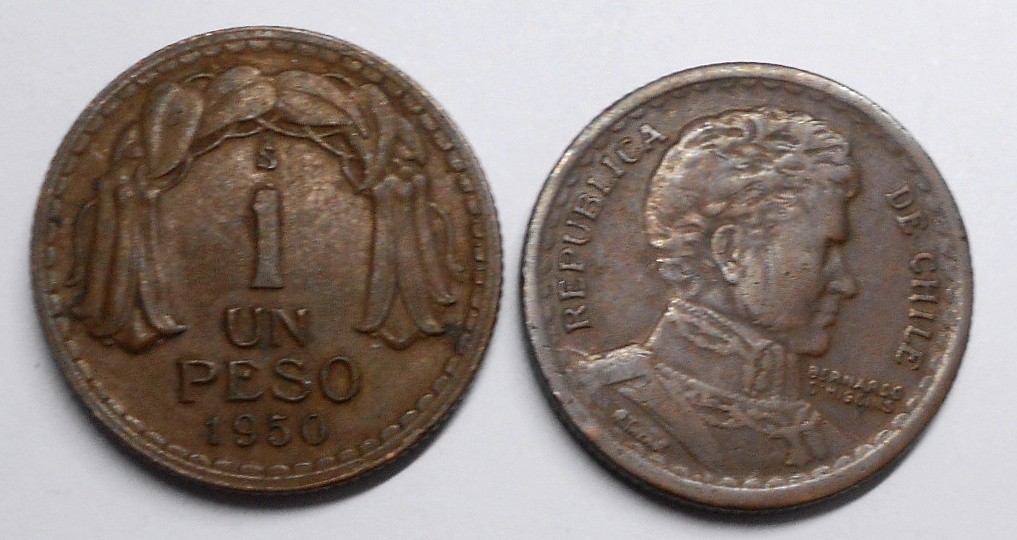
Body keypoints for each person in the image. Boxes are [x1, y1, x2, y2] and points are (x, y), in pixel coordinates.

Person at [575, 107, 859, 474]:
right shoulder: (608, 398)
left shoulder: (825, 441)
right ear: (732, 253)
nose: (846, 283)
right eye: (824, 252)